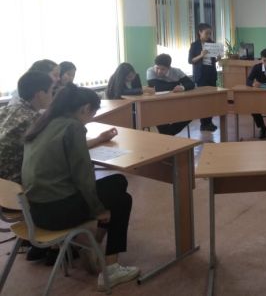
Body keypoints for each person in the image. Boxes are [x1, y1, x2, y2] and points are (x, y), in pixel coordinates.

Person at [22, 84, 139, 290]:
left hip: (35, 211)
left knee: (118, 182)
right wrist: (98, 209)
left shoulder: (45, 123)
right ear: (85, 108)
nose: (91, 118)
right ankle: (110, 269)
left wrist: (99, 139)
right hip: (57, 212)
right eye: (92, 113)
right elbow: (83, 177)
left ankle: (93, 246)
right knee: (122, 199)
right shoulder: (73, 127)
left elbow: (67, 151)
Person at [0, 72, 53, 184]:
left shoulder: (6, 109)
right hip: (11, 183)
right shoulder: (34, 120)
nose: (52, 96)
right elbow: (52, 153)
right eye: (51, 91)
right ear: (40, 94)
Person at [146, 54, 194, 136]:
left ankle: (168, 135)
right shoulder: (150, 71)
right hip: (157, 105)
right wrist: (175, 85)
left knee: (190, 114)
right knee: (158, 116)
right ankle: (168, 135)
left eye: (163, 69)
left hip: (176, 103)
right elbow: (156, 87)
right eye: (157, 68)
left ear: (169, 68)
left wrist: (182, 87)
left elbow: (191, 84)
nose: (159, 71)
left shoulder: (177, 71)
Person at [188, 23, 219, 132]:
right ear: (200, 32)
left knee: (211, 100)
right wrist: (201, 55)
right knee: (203, 100)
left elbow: (214, 60)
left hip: (211, 74)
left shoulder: (212, 44)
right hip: (201, 75)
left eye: (210, 33)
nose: (208, 35)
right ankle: (204, 124)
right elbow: (190, 60)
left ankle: (209, 122)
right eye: (206, 33)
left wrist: (218, 57)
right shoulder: (195, 45)